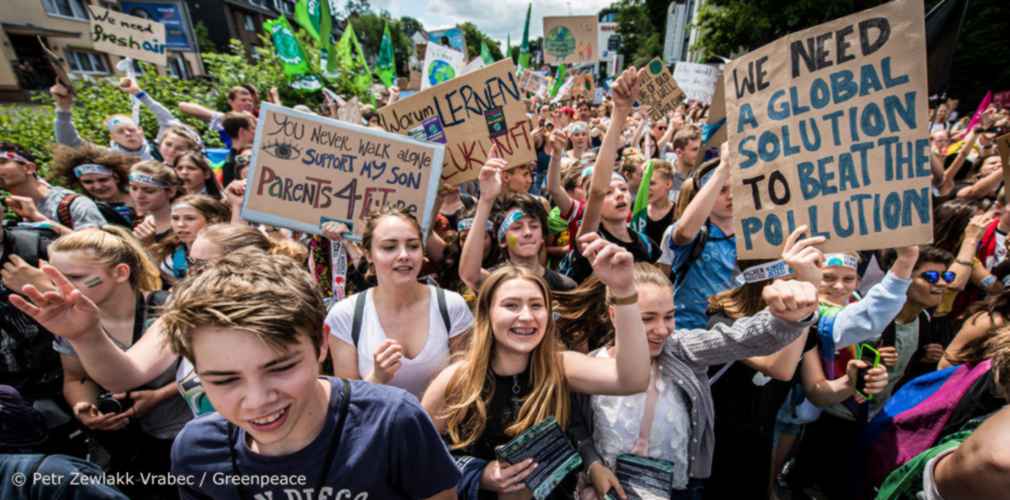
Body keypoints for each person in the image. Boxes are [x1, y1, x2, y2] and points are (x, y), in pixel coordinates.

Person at [10, 249, 461, 499]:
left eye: (280, 368)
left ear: (321, 344)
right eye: (223, 380)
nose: (258, 400)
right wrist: (88, 337)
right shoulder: (196, 450)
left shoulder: (393, 422)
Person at [421, 232, 652, 499]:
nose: (526, 317)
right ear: (487, 313)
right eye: (511, 305)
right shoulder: (457, 380)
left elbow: (633, 379)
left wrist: (624, 292)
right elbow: (417, 456)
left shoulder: (560, 366)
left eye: (536, 305)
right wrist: (479, 474)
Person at [49, 226, 188, 499]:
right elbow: (76, 377)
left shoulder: (170, 309)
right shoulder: (68, 319)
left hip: (181, 439)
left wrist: (160, 395)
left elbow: (210, 373)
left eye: (76, 277)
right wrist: (84, 408)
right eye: (56, 278)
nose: (63, 287)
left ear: (121, 273)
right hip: (127, 450)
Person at [326, 207, 474, 398]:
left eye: (413, 246)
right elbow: (349, 407)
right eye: (389, 247)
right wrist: (376, 379)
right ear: (369, 254)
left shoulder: (453, 306)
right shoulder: (345, 315)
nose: (404, 255)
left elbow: (464, 391)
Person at [459, 146, 576, 294]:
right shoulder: (495, 281)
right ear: (502, 240)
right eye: (517, 227)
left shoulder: (565, 286)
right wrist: (486, 199)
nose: (527, 232)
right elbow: (470, 276)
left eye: (534, 226)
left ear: (542, 237)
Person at [658, 149, 736, 330]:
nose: (731, 196)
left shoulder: (752, 233)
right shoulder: (695, 233)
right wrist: (723, 168)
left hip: (736, 336)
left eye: (735, 188)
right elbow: (684, 233)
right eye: (722, 190)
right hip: (689, 331)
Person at [0, 142, 107, 234]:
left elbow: (100, 249)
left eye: (2, 162)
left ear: (29, 168)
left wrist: (37, 218)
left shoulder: (73, 204)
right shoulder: (7, 209)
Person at [47, 143, 136, 226]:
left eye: (103, 180)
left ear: (116, 177)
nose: (98, 186)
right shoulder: (82, 209)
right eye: (88, 182)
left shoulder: (141, 198)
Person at [150, 194, 231, 285]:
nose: (180, 224)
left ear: (212, 221)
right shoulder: (172, 262)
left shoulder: (229, 254)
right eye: (175, 218)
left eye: (190, 218)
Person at [129, 161, 181, 245]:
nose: (139, 196)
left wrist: (148, 245)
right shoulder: (137, 221)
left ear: (171, 191)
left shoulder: (181, 227)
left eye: (149, 191)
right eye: (134, 188)